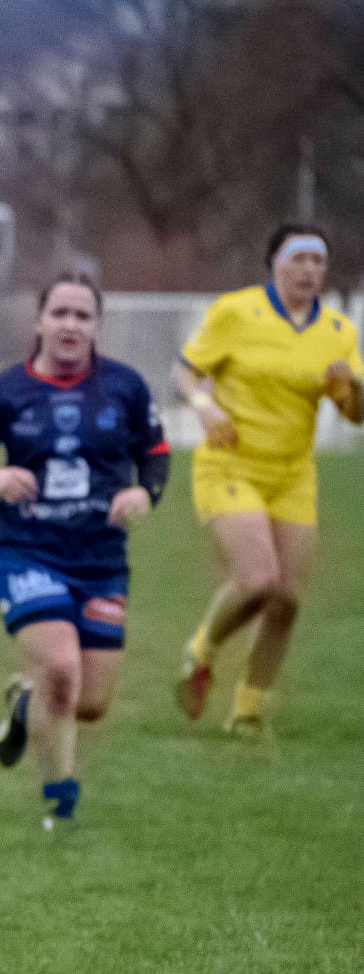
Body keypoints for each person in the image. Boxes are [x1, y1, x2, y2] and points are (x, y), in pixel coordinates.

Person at [0, 274, 169, 830]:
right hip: (27, 551)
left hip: (101, 559)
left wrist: (143, 492)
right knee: (61, 669)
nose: (70, 324)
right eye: (60, 313)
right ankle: (61, 800)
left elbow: (155, 453)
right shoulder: (5, 391)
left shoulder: (125, 387)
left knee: (90, 702)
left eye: (83, 315)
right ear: (40, 321)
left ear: (97, 325)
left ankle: (24, 702)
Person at [174, 223, 362, 736]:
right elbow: (184, 372)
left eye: (318, 261)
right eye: (298, 258)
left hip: (293, 475)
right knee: (258, 580)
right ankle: (201, 650)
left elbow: (355, 415)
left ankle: (247, 712)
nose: (309, 270)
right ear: (274, 263)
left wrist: (351, 387)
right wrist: (204, 405)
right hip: (231, 463)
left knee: (286, 599)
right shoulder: (236, 312)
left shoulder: (339, 332)